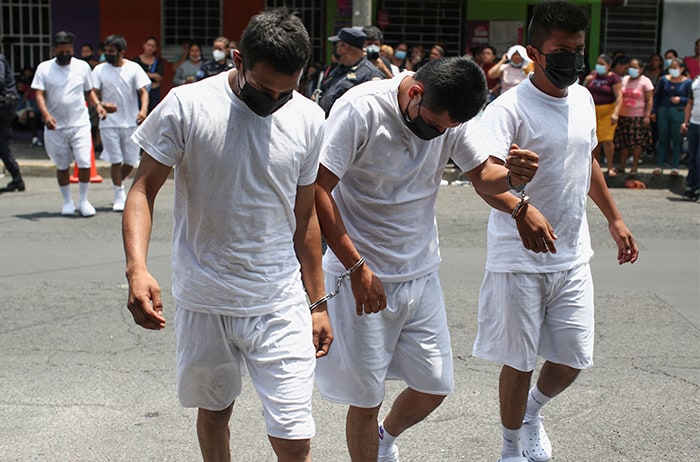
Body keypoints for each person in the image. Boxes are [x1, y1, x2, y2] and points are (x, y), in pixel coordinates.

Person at [122, 8, 330, 461]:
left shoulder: (310, 119)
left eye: (285, 92)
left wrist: (317, 302)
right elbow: (142, 190)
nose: (274, 101)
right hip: (205, 298)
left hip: (278, 300)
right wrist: (137, 268)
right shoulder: (187, 105)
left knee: (295, 435)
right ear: (237, 59)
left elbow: (306, 216)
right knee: (215, 413)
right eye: (262, 89)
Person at [314, 56, 539, 462]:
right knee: (366, 399)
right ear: (415, 93)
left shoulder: (450, 116)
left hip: (420, 273)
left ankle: (385, 438)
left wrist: (512, 180)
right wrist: (355, 265)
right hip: (360, 276)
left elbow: (481, 175)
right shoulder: (360, 108)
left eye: (448, 129)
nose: (440, 136)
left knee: (435, 385)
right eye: (436, 126)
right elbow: (318, 189)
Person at [470, 3, 639, 462]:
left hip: (572, 255)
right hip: (518, 258)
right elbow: (482, 178)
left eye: (578, 50)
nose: (572, 60)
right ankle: (509, 449)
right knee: (519, 361)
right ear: (534, 54)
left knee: (572, 358)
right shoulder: (507, 109)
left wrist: (614, 217)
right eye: (560, 50)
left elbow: (586, 161)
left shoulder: (582, 98)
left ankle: (530, 413)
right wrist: (517, 194)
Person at [31, 31, 107, 213]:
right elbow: (39, 94)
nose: (65, 54)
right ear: (54, 50)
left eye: (69, 51)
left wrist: (98, 106)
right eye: (62, 51)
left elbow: (89, 91)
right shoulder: (44, 68)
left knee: (85, 162)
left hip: (80, 124)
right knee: (62, 165)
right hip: (56, 126)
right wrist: (46, 115)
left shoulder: (82, 67)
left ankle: (83, 200)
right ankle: (67, 202)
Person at [91, 34, 150, 212]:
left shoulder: (134, 68)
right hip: (109, 123)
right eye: (106, 50)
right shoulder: (100, 70)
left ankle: (119, 185)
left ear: (121, 52)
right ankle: (118, 195)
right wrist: (100, 105)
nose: (107, 54)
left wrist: (143, 110)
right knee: (115, 160)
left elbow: (143, 92)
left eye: (111, 51)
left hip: (131, 122)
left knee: (131, 161)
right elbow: (92, 91)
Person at [317, 27, 384, 117]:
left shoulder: (370, 74)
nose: (335, 48)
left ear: (345, 48)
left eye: (337, 45)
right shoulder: (339, 69)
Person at [651, 57, 692, 176]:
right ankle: (660, 164)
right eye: (671, 68)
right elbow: (657, 96)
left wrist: (680, 99)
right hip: (664, 111)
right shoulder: (664, 80)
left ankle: (675, 166)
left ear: (682, 69)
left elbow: (690, 99)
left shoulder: (687, 82)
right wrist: (654, 111)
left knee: (677, 139)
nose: (672, 70)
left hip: (679, 111)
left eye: (675, 68)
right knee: (662, 138)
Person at [614, 58, 654, 176]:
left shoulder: (645, 81)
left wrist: (647, 115)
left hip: (637, 117)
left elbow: (650, 100)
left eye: (635, 67)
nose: (632, 69)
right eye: (630, 67)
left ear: (641, 69)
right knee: (624, 143)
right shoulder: (624, 79)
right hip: (623, 116)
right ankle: (621, 166)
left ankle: (634, 167)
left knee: (636, 144)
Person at [583, 54, 622, 176]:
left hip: (608, 111)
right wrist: (586, 81)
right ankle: (596, 168)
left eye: (602, 64)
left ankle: (610, 167)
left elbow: (619, 96)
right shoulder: (593, 75)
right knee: (595, 141)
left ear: (609, 66)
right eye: (598, 63)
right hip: (593, 111)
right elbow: (583, 89)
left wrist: (616, 113)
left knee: (608, 140)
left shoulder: (613, 78)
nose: (599, 66)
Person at [0, 51, 24, 193]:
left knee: (2, 144)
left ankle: (17, 178)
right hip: (4, 107)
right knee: (2, 144)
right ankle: (17, 178)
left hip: (3, 107)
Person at [681, 73, 700, 200]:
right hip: (694, 124)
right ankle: (690, 187)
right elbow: (689, 103)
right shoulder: (695, 81)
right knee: (692, 157)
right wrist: (685, 122)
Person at [133, 36, 163, 113]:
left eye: (153, 46)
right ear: (144, 45)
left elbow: (159, 77)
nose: (150, 48)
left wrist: (145, 74)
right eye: (148, 45)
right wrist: (152, 75)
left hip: (154, 92)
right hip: (140, 91)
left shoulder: (158, 61)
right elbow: (135, 76)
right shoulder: (136, 60)